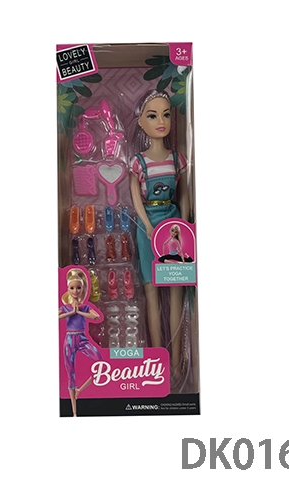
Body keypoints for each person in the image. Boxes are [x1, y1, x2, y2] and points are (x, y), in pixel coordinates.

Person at [129, 89, 191, 376]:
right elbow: (136, 199)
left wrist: (185, 223)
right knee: (151, 290)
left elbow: (184, 195)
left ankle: (177, 363)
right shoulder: (138, 163)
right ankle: (158, 362)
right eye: (152, 116)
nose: (161, 121)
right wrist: (148, 226)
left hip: (174, 225)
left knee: (177, 286)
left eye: (166, 115)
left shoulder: (177, 160)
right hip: (148, 227)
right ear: (141, 122)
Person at [58, 268, 102, 416]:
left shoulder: (85, 307)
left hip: (82, 338)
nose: (75, 291)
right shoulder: (65, 307)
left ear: (83, 289)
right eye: (72, 288)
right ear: (68, 289)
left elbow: (96, 317)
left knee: (100, 363)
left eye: (78, 288)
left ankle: (80, 390)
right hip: (70, 339)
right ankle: (74, 412)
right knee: (70, 373)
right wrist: (71, 312)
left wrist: (80, 312)